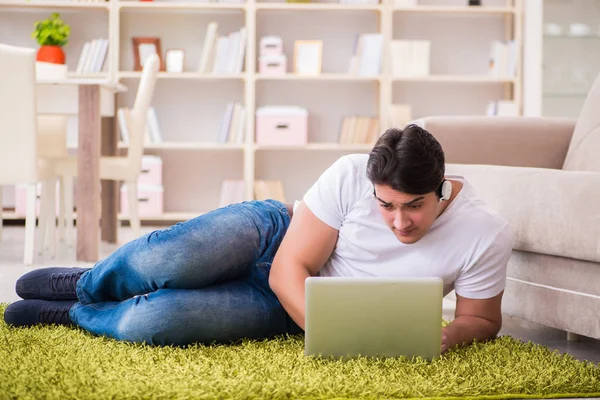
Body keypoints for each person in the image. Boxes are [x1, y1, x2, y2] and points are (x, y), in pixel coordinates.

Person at [4, 124, 512, 353]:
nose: (399, 223)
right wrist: (329, 329)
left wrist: (452, 335)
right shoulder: (350, 174)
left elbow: (481, 319)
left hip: (287, 313)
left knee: (155, 320)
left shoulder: (483, 232)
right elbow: (290, 266)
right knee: (175, 257)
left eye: (414, 207)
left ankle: (74, 313)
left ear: (441, 188)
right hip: (276, 243)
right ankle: (90, 282)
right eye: (386, 207)